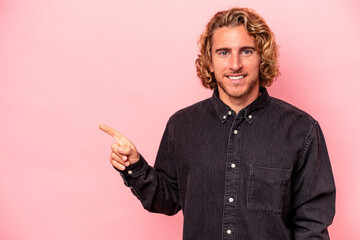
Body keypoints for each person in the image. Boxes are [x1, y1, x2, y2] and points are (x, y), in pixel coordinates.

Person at [100, 7, 335, 239]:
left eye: (246, 51)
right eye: (223, 52)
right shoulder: (181, 126)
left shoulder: (301, 131)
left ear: (262, 57)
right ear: (209, 61)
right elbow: (167, 200)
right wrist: (134, 166)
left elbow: (312, 226)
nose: (235, 64)